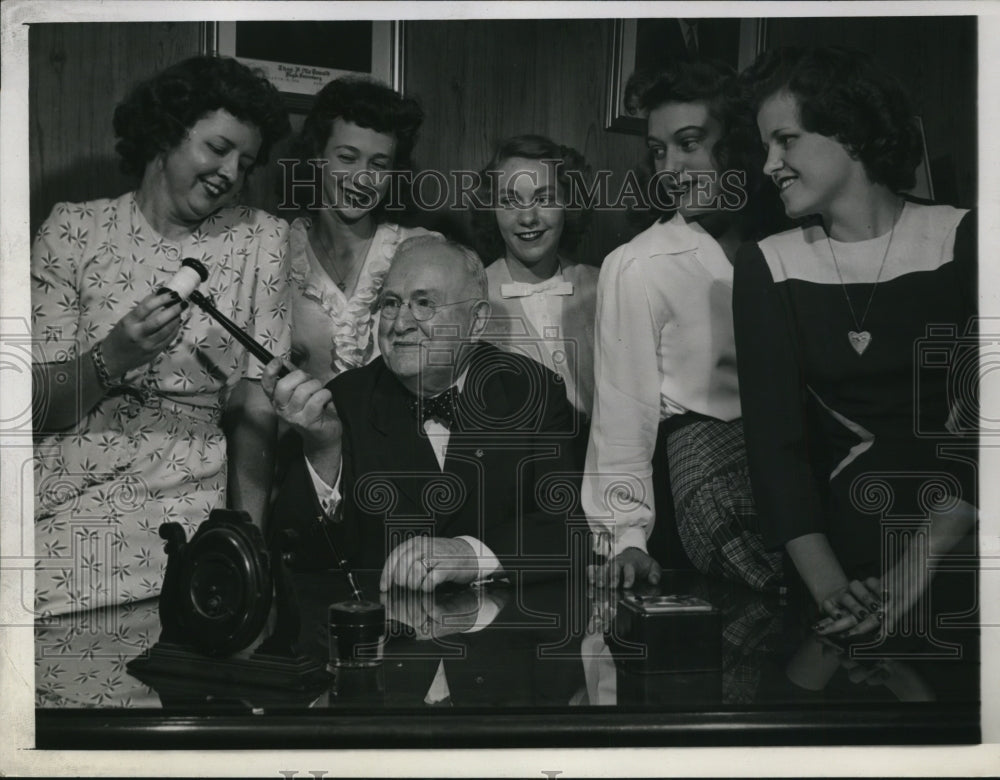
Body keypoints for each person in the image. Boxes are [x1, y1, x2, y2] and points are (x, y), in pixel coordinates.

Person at [31, 56, 292, 615]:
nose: (230, 172)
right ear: (167, 132)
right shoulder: (73, 230)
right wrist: (112, 357)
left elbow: (255, 402)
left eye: (245, 163)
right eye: (217, 148)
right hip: (49, 472)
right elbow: (33, 405)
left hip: (175, 483)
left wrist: (245, 543)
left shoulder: (260, 239)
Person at [734, 46, 977, 638]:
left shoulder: (968, 238)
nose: (770, 164)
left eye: (785, 140)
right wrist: (835, 594)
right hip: (840, 560)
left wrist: (915, 568)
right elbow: (776, 453)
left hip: (968, 539)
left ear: (848, 131)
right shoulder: (767, 264)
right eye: (766, 145)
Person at [263, 234, 579, 590]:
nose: (400, 324)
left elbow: (568, 530)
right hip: (388, 636)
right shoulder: (344, 400)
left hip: (502, 634)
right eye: (391, 303)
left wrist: (469, 555)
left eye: (424, 304)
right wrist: (323, 451)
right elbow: (300, 558)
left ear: (475, 322)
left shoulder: (530, 391)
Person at [583, 60, 783, 592]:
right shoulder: (637, 263)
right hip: (703, 490)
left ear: (737, 145)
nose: (670, 167)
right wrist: (626, 537)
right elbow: (622, 417)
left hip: (797, 477)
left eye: (689, 143)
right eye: (657, 149)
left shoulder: (789, 240)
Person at [285, 76, 434, 383]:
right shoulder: (279, 251)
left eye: (378, 165)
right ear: (317, 155)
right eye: (348, 158)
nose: (362, 178)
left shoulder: (420, 249)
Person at [473, 135, 598, 427]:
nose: (528, 217)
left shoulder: (604, 285)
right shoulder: (471, 295)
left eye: (544, 199)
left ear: (569, 202)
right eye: (510, 201)